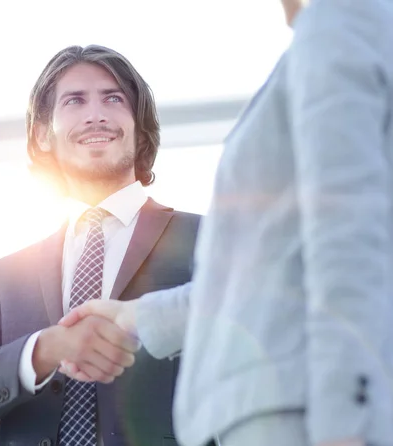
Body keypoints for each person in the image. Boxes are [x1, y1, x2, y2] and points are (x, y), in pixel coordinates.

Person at [59, 0, 393, 445]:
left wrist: (349, 420)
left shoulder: (338, 23)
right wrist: (137, 316)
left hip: (299, 413)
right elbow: (276, 285)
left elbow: (347, 241)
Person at [0, 44, 203, 446]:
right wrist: (43, 349)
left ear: (138, 127)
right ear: (43, 134)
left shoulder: (206, 240)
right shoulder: (6, 276)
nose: (96, 114)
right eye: (75, 101)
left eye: (114, 98)